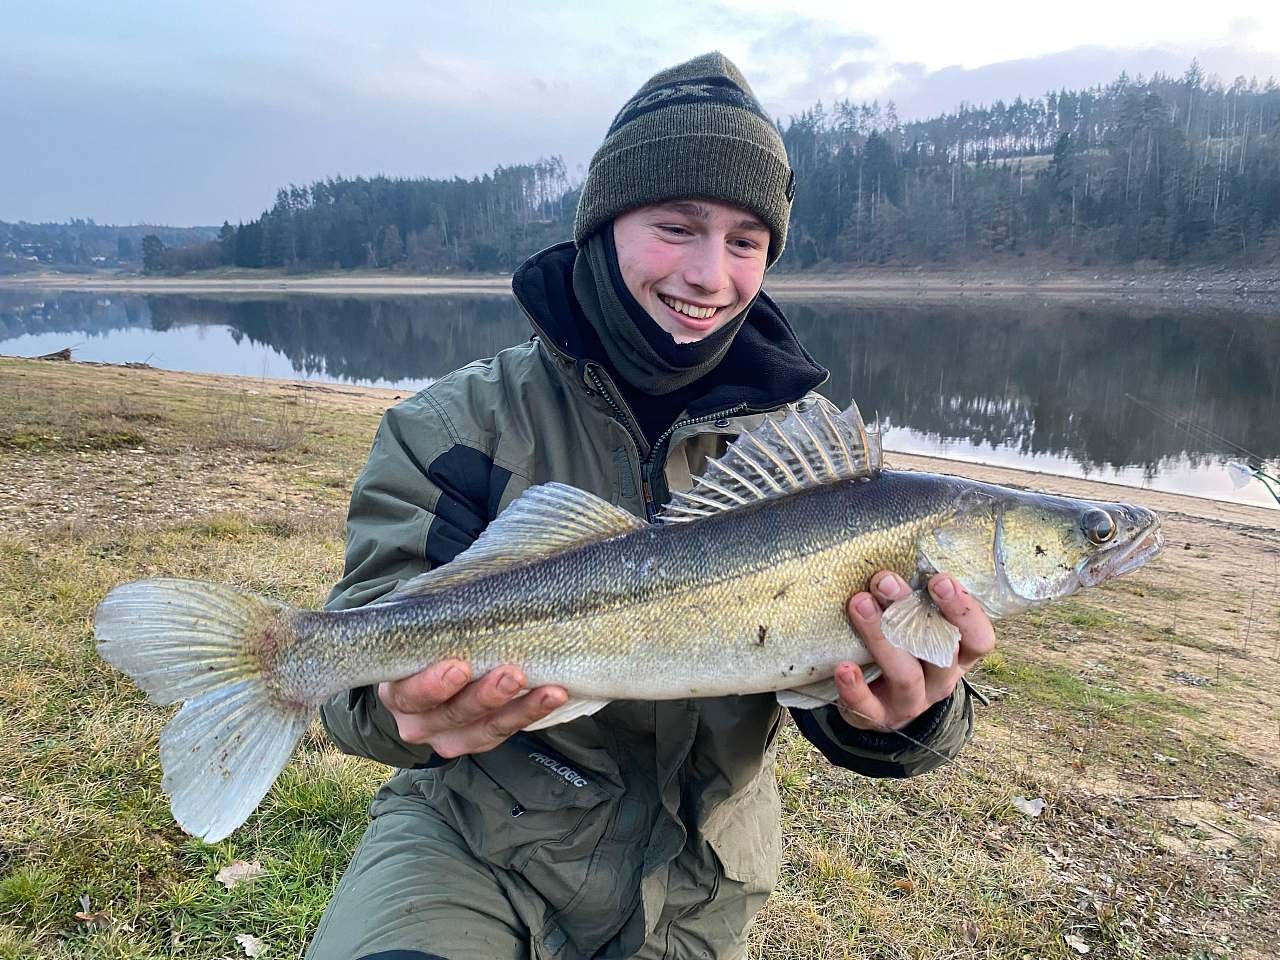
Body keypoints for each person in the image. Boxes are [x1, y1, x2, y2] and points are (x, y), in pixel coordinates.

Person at [306, 52, 995, 960]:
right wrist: (392, 699)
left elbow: (831, 694)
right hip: (472, 848)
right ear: (605, 224)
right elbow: (356, 678)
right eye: (678, 227)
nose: (711, 274)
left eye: (747, 242)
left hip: (699, 887)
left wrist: (908, 717)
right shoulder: (450, 427)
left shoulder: (818, 460)